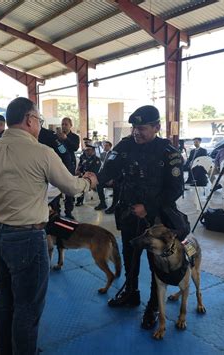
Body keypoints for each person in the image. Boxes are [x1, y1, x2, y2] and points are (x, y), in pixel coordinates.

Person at [0, 97, 97, 355]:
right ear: (30, 120)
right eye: (39, 121)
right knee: (28, 307)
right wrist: (88, 181)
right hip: (27, 238)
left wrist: (6, 205)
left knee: (5, 299)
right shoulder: (42, 152)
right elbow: (71, 187)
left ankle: (5, 350)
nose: (40, 126)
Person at [95, 105, 185, 330]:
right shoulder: (125, 146)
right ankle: (131, 292)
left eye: (142, 128)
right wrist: (92, 179)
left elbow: (175, 189)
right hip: (128, 214)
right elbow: (108, 170)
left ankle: (154, 304)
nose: (137, 132)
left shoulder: (168, 152)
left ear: (156, 127)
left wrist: (148, 207)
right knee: (130, 254)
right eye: (134, 127)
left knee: (157, 262)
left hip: (156, 219)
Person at [38, 126, 74, 217]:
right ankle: (55, 213)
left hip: (56, 170)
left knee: (64, 193)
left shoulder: (49, 135)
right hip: (40, 175)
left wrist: (66, 173)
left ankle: (67, 212)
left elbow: (64, 153)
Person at [54, 117, 80, 218]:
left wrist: (66, 139)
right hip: (57, 164)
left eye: (66, 124)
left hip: (70, 165)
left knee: (69, 187)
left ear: (70, 125)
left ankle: (68, 211)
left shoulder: (74, 137)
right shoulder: (56, 137)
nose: (64, 126)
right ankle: (56, 210)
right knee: (56, 187)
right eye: (62, 124)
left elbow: (75, 147)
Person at [95, 141, 113, 210]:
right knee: (98, 184)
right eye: (104, 145)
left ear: (110, 147)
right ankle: (102, 203)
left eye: (107, 145)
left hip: (110, 175)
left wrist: (111, 179)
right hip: (102, 173)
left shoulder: (112, 154)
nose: (105, 147)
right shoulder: (102, 154)